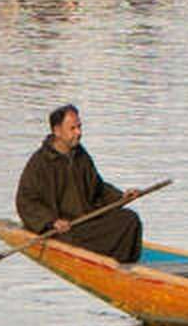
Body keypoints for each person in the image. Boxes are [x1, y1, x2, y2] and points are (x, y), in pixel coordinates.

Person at [16, 103, 142, 263]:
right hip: (64, 228)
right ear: (57, 131)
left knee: (129, 220)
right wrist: (51, 221)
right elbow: (26, 201)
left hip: (86, 221)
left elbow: (98, 188)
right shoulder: (39, 162)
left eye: (79, 127)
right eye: (73, 128)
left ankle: (123, 267)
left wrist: (122, 196)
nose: (79, 133)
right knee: (74, 239)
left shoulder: (80, 155)